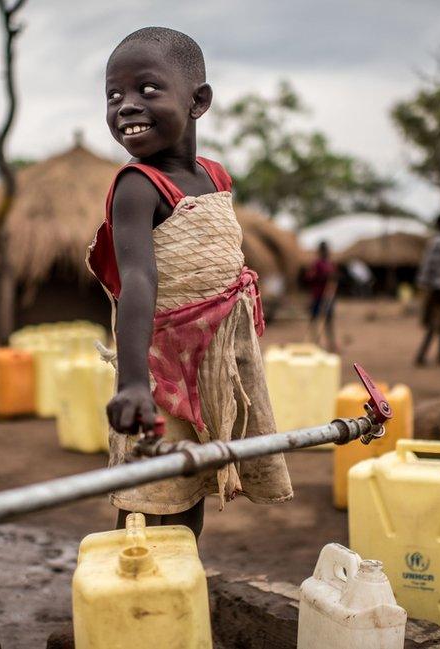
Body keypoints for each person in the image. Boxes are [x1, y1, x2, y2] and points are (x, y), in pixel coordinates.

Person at [87, 27, 293, 539]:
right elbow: (137, 278)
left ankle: (174, 581)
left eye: (147, 90)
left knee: (193, 483)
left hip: (216, 360)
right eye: (114, 96)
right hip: (162, 367)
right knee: (152, 495)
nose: (127, 106)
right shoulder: (137, 186)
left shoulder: (214, 176)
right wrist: (132, 382)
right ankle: (134, 594)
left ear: (198, 101)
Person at [414, 211, 440, 366]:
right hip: (438, 290)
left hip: (439, 288)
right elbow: (435, 267)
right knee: (435, 323)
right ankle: (421, 355)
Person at [305, 241, 340, 353]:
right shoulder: (317, 264)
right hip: (317, 296)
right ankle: (315, 342)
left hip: (328, 297)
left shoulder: (330, 264)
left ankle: (331, 344)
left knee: (328, 321)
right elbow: (309, 277)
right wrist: (320, 277)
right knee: (314, 319)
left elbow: (334, 279)